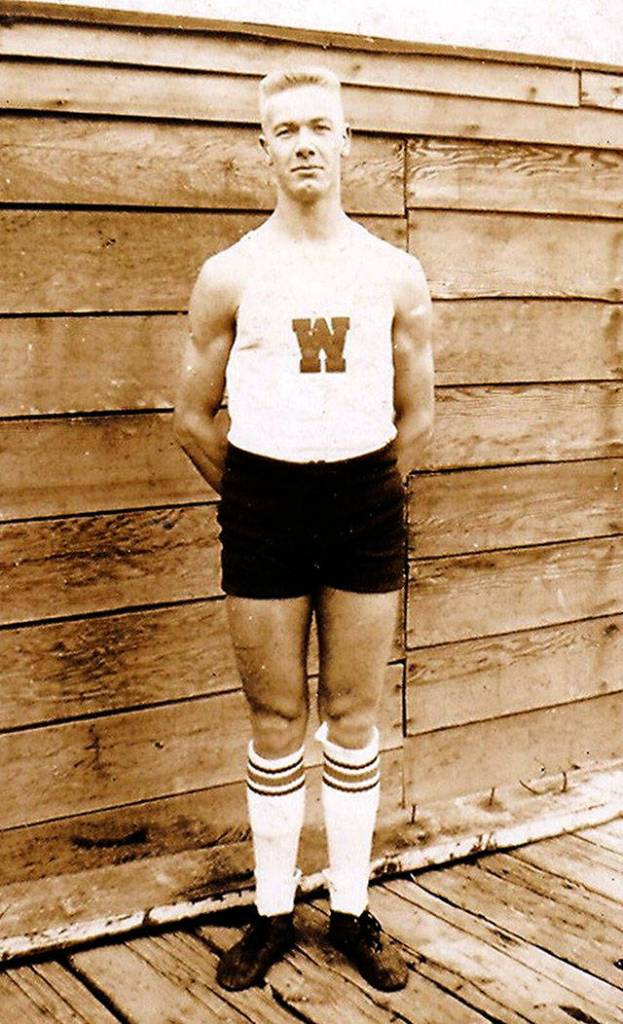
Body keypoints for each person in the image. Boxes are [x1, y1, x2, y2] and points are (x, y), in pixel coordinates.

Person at [174, 66, 434, 993]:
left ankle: (354, 910)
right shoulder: (231, 272)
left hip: (363, 501)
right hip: (262, 506)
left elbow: (416, 416)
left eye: (320, 126)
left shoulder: (391, 271)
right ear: (264, 149)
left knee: (353, 715)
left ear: (346, 140)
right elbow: (194, 417)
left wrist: (355, 493)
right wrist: (259, 495)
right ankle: (274, 911)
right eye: (285, 130)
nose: (305, 144)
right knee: (276, 718)